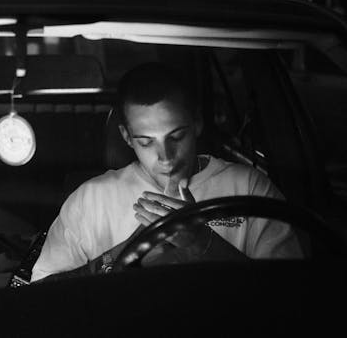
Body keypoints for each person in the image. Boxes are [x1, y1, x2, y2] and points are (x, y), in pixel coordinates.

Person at [31, 62, 302, 281]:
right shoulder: (91, 199)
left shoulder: (249, 189)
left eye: (176, 136)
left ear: (196, 123)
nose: (165, 157)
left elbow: (289, 299)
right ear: (126, 137)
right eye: (146, 141)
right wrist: (122, 254)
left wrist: (201, 243)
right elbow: (41, 298)